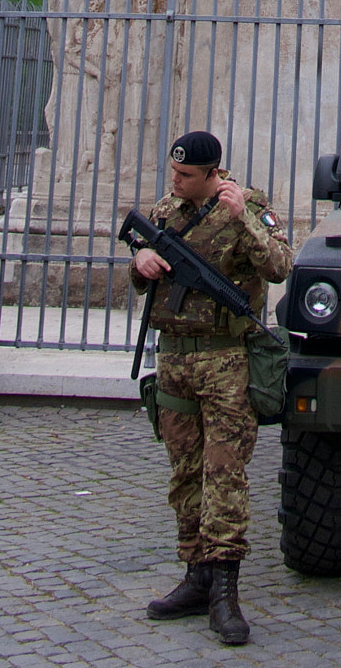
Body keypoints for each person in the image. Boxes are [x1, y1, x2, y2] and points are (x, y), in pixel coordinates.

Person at [130, 131, 292, 646]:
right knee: (185, 472)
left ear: (212, 173)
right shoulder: (165, 210)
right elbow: (141, 272)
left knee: (224, 473)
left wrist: (242, 214)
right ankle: (195, 576)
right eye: (173, 174)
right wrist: (140, 266)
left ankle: (225, 589)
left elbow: (280, 266)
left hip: (226, 361)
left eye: (185, 176)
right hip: (175, 358)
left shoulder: (250, 204)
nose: (174, 183)